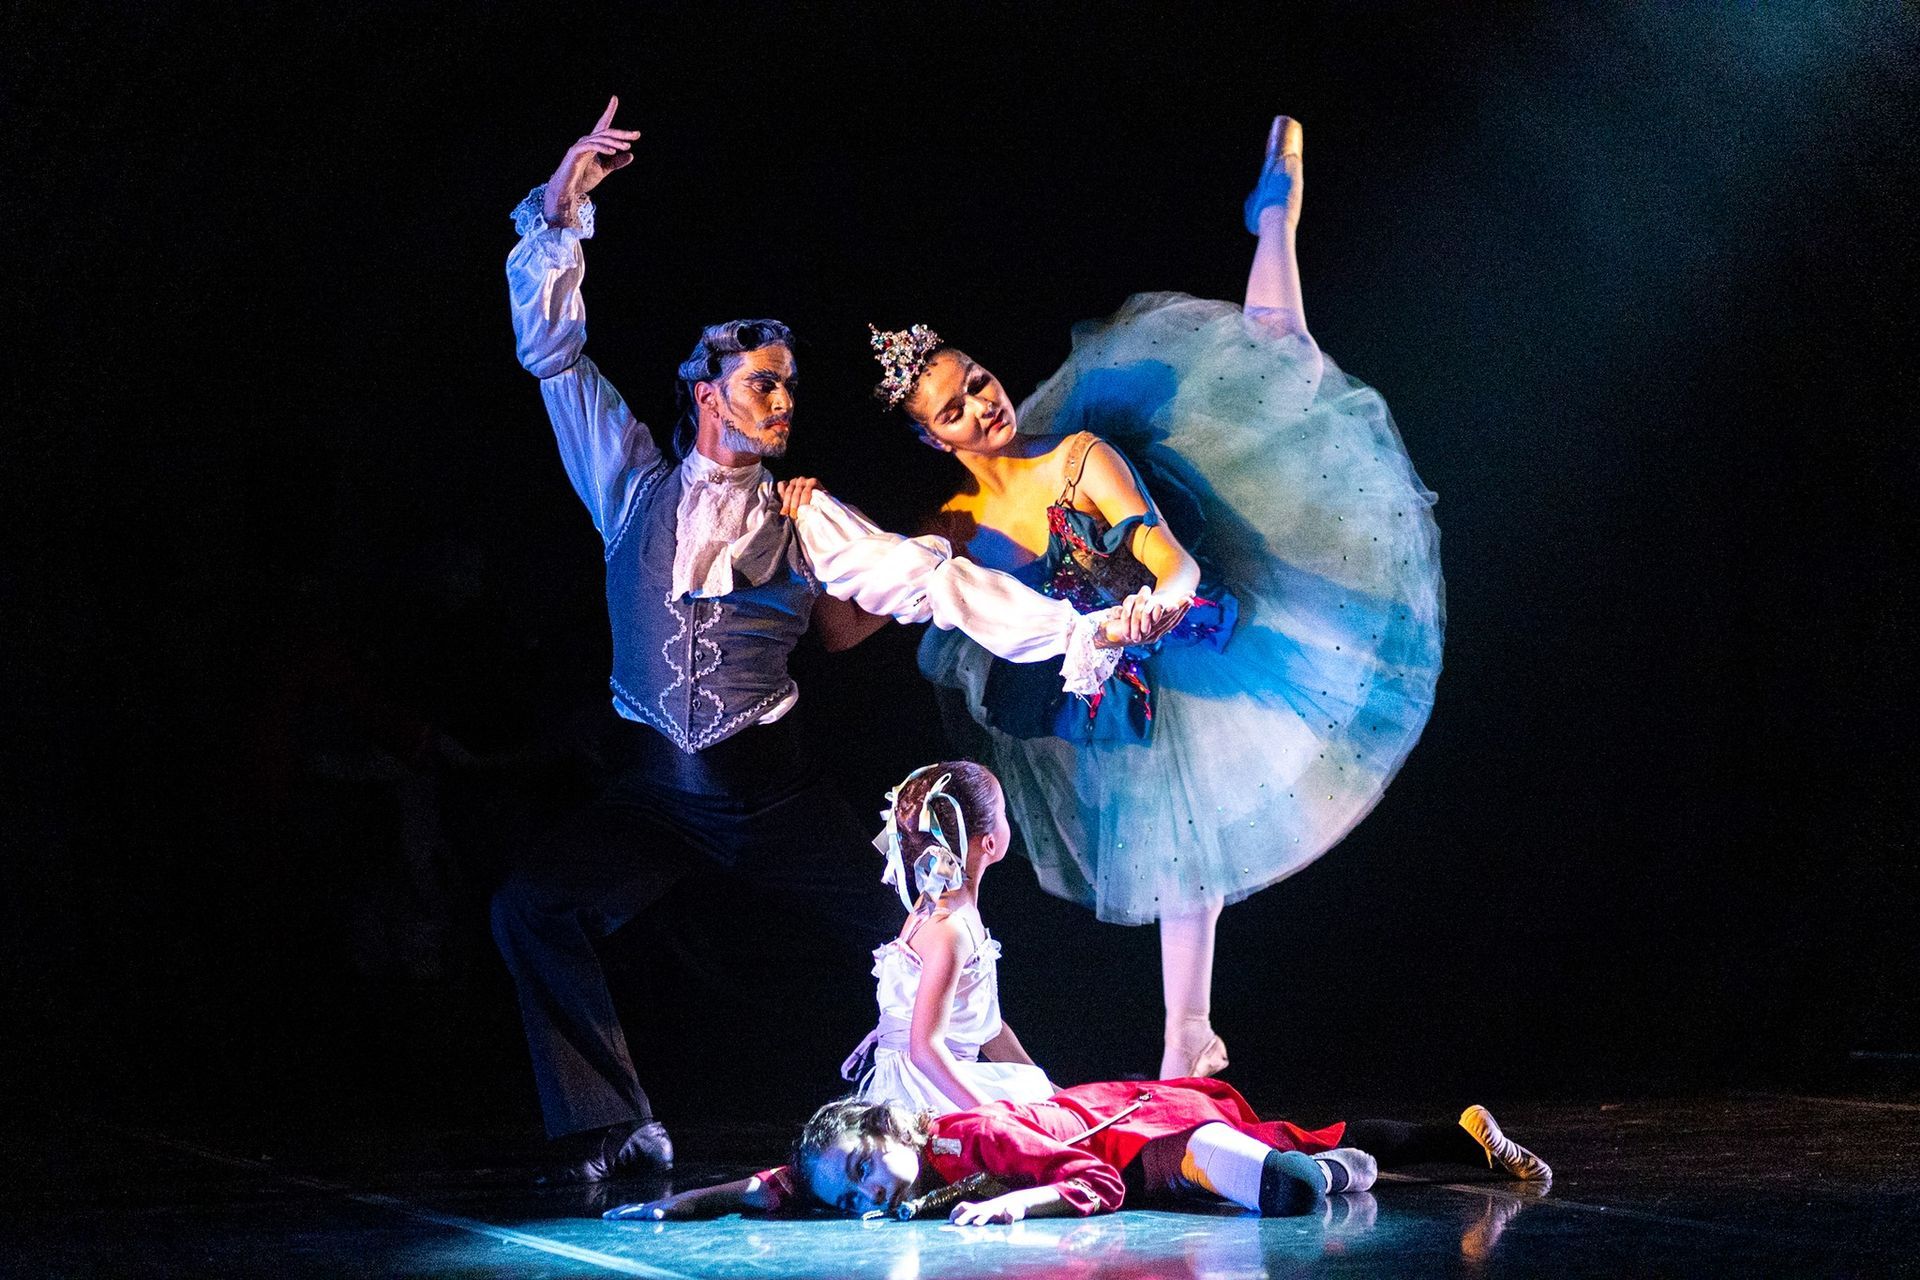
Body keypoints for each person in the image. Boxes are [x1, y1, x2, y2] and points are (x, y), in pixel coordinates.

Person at [493, 98, 1161, 1184]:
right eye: (763, 383)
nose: (783, 401)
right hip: (655, 793)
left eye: (790, 388)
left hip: (772, 795)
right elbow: (557, 359)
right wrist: (560, 218)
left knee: (921, 930)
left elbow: (934, 583)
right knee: (530, 906)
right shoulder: (627, 483)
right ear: (707, 394)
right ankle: (615, 1126)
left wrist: (1077, 630)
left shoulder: (803, 514)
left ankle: (1021, 1104)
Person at [858, 117, 1446, 1080]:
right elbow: (875, 603)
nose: (982, 407)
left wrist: (1152, 607)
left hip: (1186, 623)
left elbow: (1177, 569)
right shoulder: (956, 525)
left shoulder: (1080, 455)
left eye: (980, 383)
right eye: (953, 410)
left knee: (1280, 357)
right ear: (933, 437)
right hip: (1107, 674)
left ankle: (1275, 216)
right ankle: (1188, 1035)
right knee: (1175, 832)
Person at [604, 1084, 1548, 1223]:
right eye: (849, 1198)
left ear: (894, 1132)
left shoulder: (973, 1139)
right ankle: (1379, 1162)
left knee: (1297, 1173)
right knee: (1298, 1159)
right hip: (1158, 1178)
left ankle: (1448, 1139)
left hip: (1149, 1139)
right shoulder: (884, 1177)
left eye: (860, 1173)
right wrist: (677, 1204)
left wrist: (1015, 1202)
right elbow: (778, 1184)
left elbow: (1092, 1176)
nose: (863, 1200)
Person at [837, 761, 1055, 1114]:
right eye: (1002, 812)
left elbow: (984, 1026)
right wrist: (992, 1116)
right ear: (989, 842)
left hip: (936, 1074)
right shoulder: (948, 927)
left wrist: (1048, 1087)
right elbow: (925, 1049)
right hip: (918, 1092)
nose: (1007, 819)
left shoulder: (949, 908)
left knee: (1048, 1102)